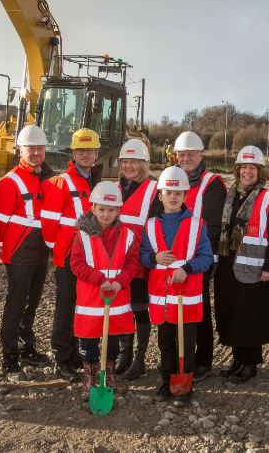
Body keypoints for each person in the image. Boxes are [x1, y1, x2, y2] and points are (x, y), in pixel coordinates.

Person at [140, 166, 214, 403]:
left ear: (185, 196)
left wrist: (186, 268)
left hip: (187, 299)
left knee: (186, 343)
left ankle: (185, 385)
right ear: (159, 195)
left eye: (178, 193)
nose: (173, 197)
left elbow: (206, 258)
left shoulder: (197, 225)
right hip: (162, 301)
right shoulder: (150, 225)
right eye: (168, 193)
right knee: (165, 344)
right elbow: (142, 256)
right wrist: (154, 258)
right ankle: (167, 381)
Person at [213, 146, 269, 383]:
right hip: (228, 264)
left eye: (252, 168)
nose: (247, 172)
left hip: (254, 267)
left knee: (250, 316)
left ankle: (250, 363)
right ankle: (237, 358)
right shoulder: (231, 195)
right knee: (231, 312)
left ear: (260, 171)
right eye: (243, 167)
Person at [41, 128, 103, 379]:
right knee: (65, 306)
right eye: (81, 150)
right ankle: (60, 357)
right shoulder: (62, 182)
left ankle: (73, 352)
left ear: (97, 153)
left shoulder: (94, 181)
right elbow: (48, 223)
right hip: (68, 255)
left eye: (90, 150)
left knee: (81, 304)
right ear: (73, 153)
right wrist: (58, 252)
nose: (86, 155)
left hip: (88, 255)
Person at [0, 124, 55, 378]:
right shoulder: (10, 182)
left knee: (32, 303)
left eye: (40, 149)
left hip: (40, 250)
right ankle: (9, 359)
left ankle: (25, 347)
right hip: (19, 251)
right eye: (31, 149)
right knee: (15, 304)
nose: (36, 153)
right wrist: (1, 253)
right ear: (20, 149)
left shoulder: (46, 177)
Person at [70, 181, 141, 394]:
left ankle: (108, 374)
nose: (106, 214)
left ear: (118, 210)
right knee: (89, 338)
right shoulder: (82, 234)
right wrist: (101, 280)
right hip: (91, 297)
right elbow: (77, 264)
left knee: (113, 339)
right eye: (102, 209)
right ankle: (90, 374)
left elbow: (132, 262)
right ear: (93, 208)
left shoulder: (127, 234)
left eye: (111, 210)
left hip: (116, 296)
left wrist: (120, 281)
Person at [172, 130, 225, 380]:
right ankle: (180, 357)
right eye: (182, 154)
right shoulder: (171, 179)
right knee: (175, 308)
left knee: (200, 310)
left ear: (201, 154)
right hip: (173, 259)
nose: (186, 158)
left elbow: (213, 224)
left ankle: (203, 360)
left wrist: (209, 259)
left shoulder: (211, 183)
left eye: (190, 154)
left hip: (198, 260)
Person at [115, 139, 161, 379]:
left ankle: (140, 359)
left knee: (140, 309)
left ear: (145, 163)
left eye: (134, 162)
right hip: (120, 261)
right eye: (125, 162)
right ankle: (125, 354)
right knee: (123, 308)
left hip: (142, 261)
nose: (129, 166)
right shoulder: (119, 187)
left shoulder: (154, 189)